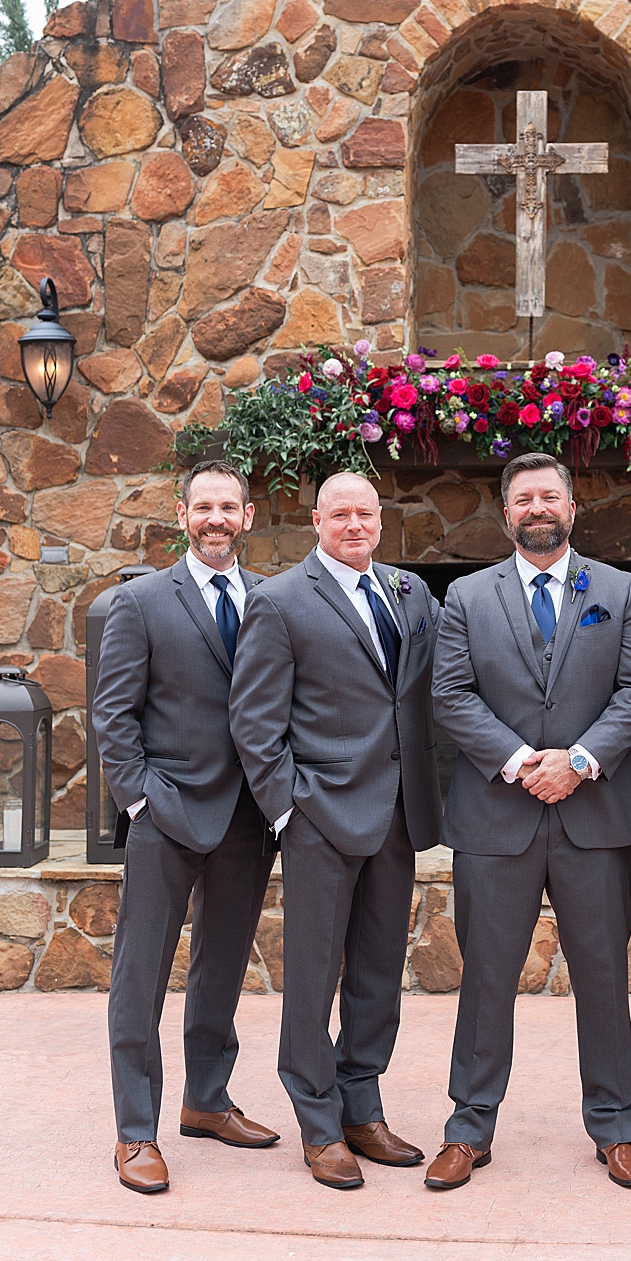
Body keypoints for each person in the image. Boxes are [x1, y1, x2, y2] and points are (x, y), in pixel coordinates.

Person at [428, 451, 631, 1191]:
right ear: (506, 511)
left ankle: (616, 1128)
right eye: (524, 497)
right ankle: (469, 1128)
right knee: (486, 978)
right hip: (496, 817)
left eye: (549, 495)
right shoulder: (465, 596)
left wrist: (581, 761)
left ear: (571, 506)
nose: (537, 508)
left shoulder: (622, 592)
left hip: (596, 816)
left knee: (603, 975)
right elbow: (451, 695)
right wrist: (525, 760)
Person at [228, 472, 441, 1191]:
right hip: (320, 817)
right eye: (340, 513)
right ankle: (318, 1124)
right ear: (316, 519)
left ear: (381, 520)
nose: (354, 525)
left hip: (396, 817)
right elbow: (255, 722)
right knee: (313, 981)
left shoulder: (410, 594)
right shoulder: (280, 601)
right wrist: (289, 810)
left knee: (379, 975)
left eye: (366, 514)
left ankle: (362, 1109)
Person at [93, 459, 280, 1195]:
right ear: (182, 514)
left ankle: (205, 1100)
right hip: (164, 815)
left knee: (222, 967)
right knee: (139, 977)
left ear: (248, 516)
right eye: (203, 506)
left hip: (247, 817)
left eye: (228, 507)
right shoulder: (139, 602)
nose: (216, 519)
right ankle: (135, 1131)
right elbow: (113, 713)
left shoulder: (272, 598)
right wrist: (138, 800)